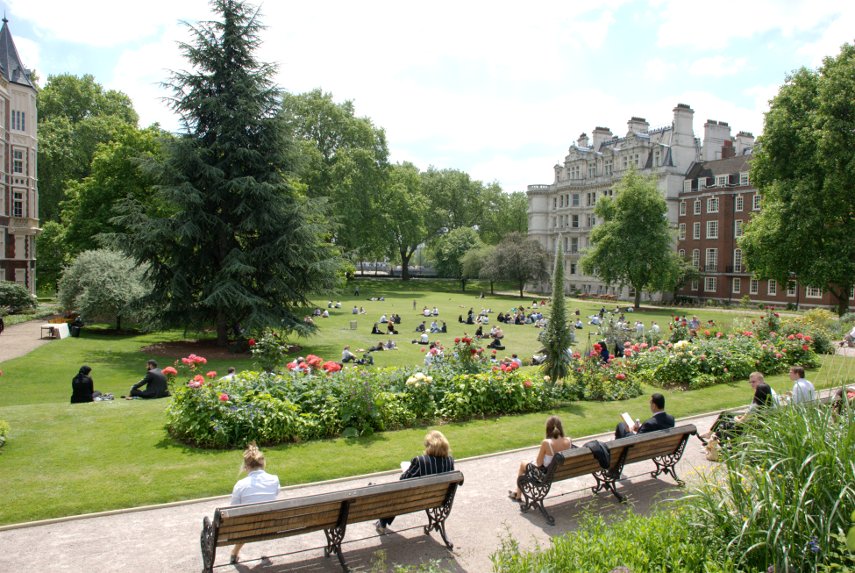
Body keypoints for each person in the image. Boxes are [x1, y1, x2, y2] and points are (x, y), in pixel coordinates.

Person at [376, 430, 454, 534]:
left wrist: (406, 470)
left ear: (429, 446)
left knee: (396, 495)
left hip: (413, 500)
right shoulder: (449, 461)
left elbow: (403, 481)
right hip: (437, 500)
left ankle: (382, 523)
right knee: (398, 495)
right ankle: (382, 522)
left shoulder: (420, 461)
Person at [229, 442, 280, 564]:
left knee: (245, 522)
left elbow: (233, 510)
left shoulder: (241, 485)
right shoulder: (274, 480)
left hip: (247, 528)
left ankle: (234, 552)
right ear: (263, 463)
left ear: (246, 466)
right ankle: (234, 553)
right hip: (272, 525)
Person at [509, 416, 573, 501]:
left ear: (548, 428)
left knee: (523, 464)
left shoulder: (547, 443)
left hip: (546, 475)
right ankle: (516, 492)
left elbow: (539, 463)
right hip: (563, 472)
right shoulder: (568, 440)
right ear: (560, 427)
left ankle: (518, 495)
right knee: (527, 467)